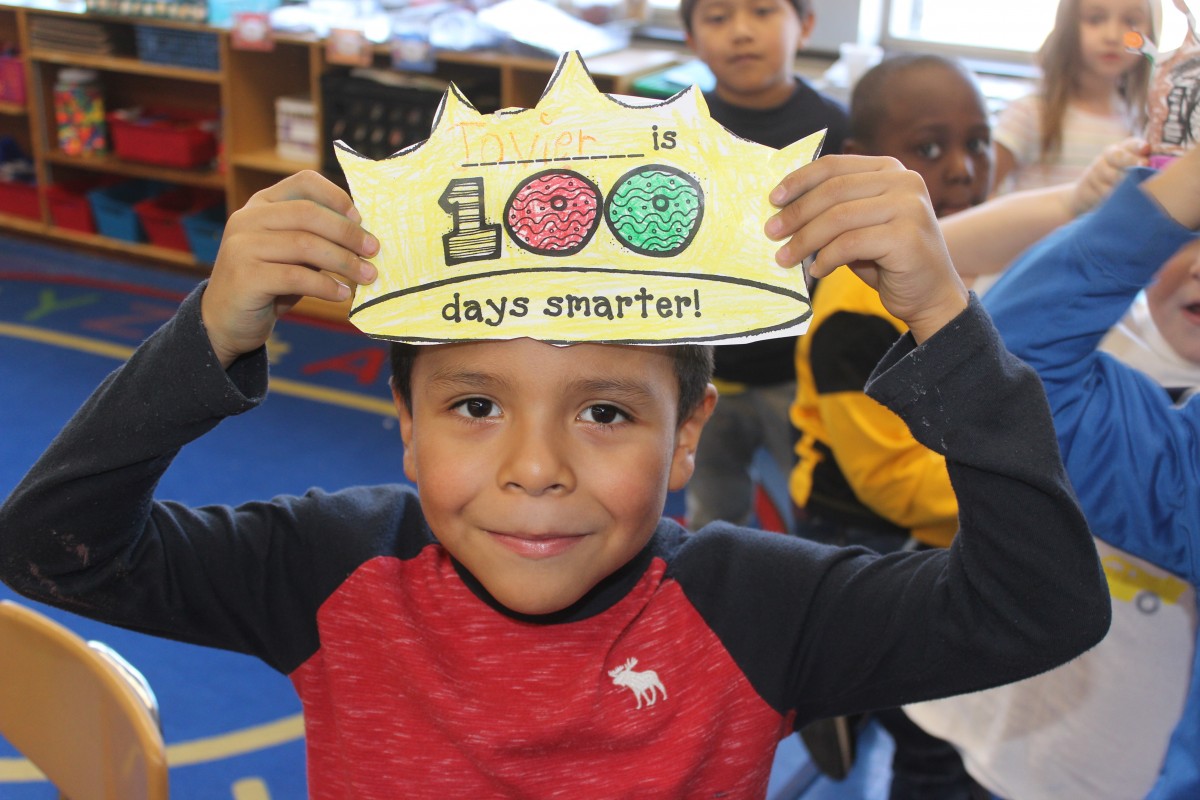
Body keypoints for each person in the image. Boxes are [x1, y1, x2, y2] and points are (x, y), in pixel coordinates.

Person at [0, 157, 1112, 797]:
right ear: (405, 423)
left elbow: (1037, 607)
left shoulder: (759, 608)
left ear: (688, 441)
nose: (535, 468)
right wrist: (208, 334)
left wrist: (943, 320)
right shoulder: (326, 568)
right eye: (475, 406)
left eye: (607, 411)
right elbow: (55, 543)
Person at [906, 136, 1200, 800]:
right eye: (1187, 234)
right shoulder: (1104, 340)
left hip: (1117, 759)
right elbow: (994, 343)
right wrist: (1105, 207)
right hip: (1005, 720)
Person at [786, 53, 992, 796]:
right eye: (931, 150)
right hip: (860, 528)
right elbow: (888, 481)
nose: (965, 170)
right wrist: (1012, 492)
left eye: (981, 141)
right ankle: (837, 692)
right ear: (857, 166)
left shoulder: (967, 271)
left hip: (935, 516)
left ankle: (854, 692)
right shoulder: (853, 307)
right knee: (932, 729)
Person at [678, 0, 849, 529]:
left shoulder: (835, 128)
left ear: (807, 26)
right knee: (711, 500)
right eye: (718, 17)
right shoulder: (680, 125)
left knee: (815, 504)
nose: (741, 32)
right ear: (690, 38)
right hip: (706, 360)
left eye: (762, 11)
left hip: (799, 366)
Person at [991, 0, 1157, 193]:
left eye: (1131, 20)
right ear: (1067, 25)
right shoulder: (1029, 114)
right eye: (1095, 19)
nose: (1113, 36)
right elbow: (982, 192)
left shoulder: (1142, 124)